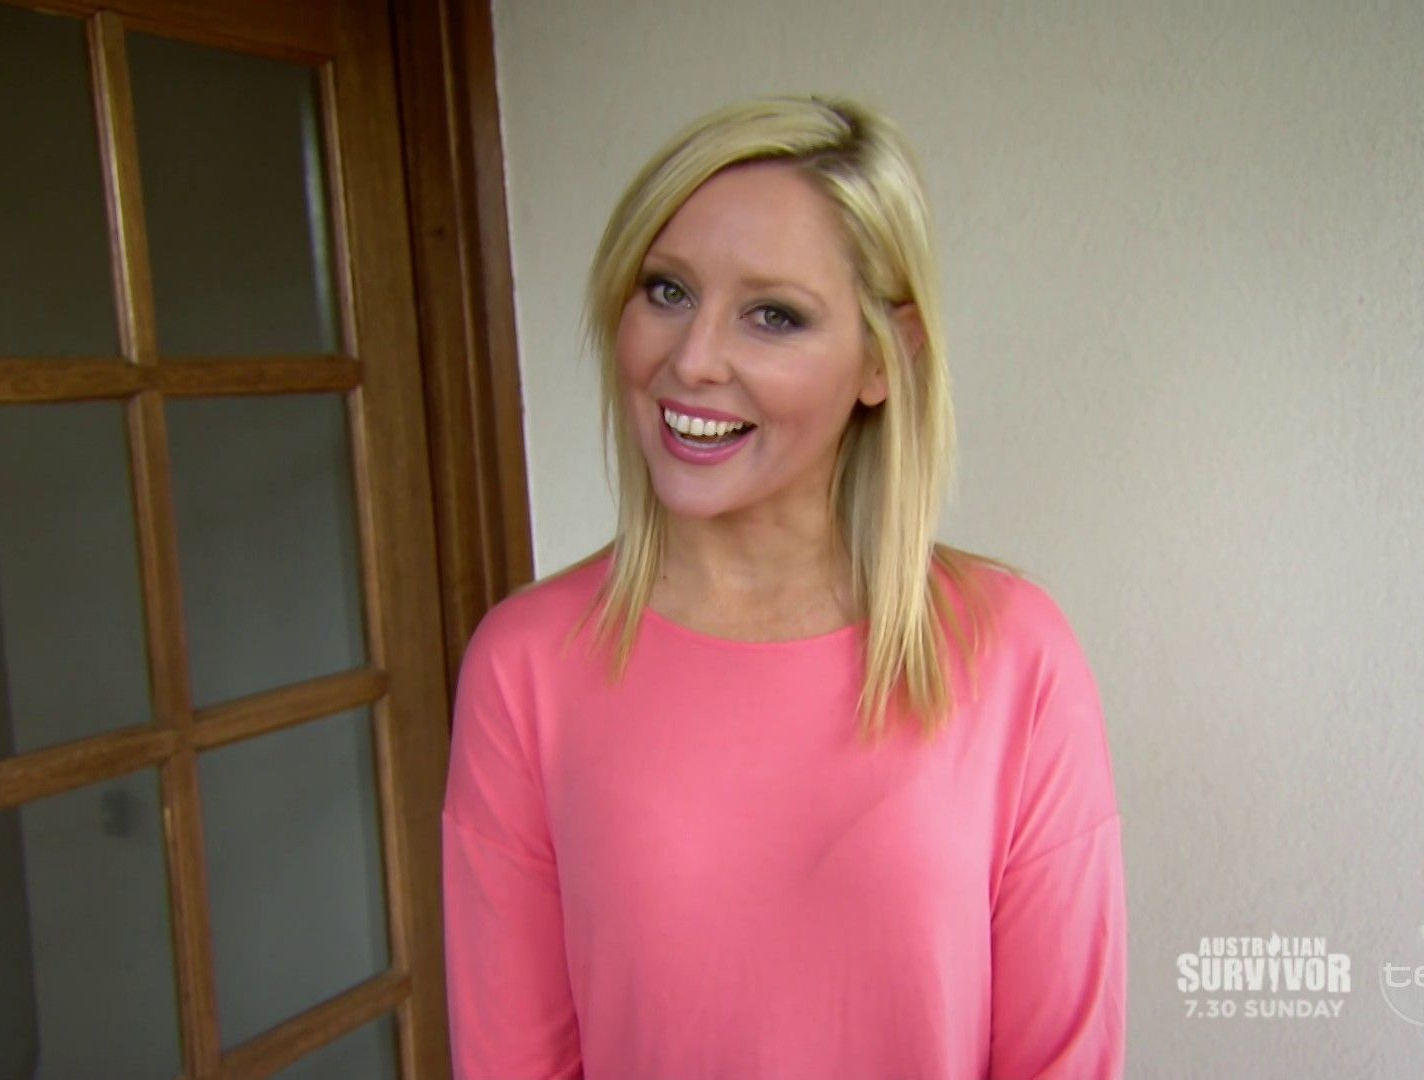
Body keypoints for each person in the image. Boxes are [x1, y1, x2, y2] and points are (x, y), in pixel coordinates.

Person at [441, 94, 1126, 1079]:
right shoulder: (526, 666)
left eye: (773, 315)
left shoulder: (1014, 654)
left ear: (884, 359)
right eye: (667, 291)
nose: (692, 360)